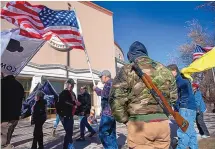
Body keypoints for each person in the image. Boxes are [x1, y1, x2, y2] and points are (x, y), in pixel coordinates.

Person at [109, 41, 178, 149]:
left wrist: (125, 120)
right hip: (162, 124)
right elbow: (174, 97)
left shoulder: (127, 70)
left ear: (130, 56)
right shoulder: (164, 69)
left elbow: (115, 99)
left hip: (139, 125)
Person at [167, 64, 198, 149]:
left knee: (183, 131)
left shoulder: (180, 80)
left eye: (169, 73)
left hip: (186, 109)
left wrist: (179, 107)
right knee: (191, 132)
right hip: (190, 108)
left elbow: (182, 96)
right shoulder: (182, 79)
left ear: (174, 71)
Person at [93, 70, 118, 149]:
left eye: (101, 77)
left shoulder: (108, 83)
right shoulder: (114, 83)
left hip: (107, 115)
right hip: (112, 113)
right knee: (111, 133)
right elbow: (106, 94)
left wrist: (96, 88)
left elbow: (104, 95)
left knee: (103, 134)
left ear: (105, 76)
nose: (100, 79)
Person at [1, 74, 24, 149]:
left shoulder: (2, 83)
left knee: (2, 141)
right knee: (8, 137)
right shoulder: (19, 85)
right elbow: (21, 100)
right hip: (15, 117)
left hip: (4, 118)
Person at [56, 79, 77, 149]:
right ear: (67, 84)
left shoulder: (73, 93)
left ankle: (65, 146)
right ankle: (70, 145)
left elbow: (75, 103)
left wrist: (76, 104)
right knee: (68, 131)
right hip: (64, 115)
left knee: (69, 131)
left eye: (73, 84)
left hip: (70, 115)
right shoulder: (63, 93)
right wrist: (73, 102)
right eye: (71, 84)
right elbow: (65, 102)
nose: (72, 86)